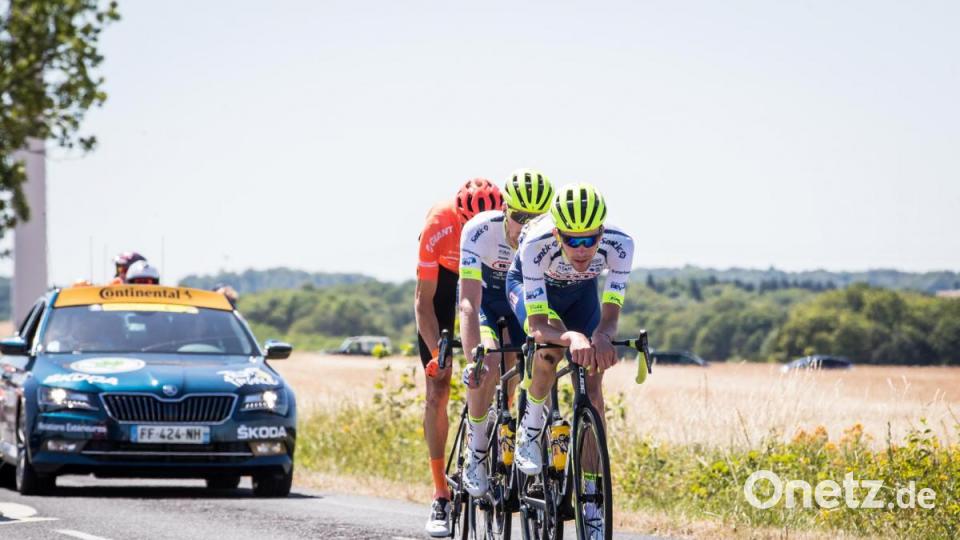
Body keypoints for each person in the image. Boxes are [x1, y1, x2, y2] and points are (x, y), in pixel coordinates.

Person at [505, 182, 634, 536]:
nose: (582, 249)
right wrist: (571, 336)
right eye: (573, 240)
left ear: (602, 233)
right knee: (550, 351)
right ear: (558, 233)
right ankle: (530, 429)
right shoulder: (535, 244)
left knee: (593, 384)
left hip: (580, 295)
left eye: (590, 240)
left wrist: (603, 337)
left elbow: (609, 314)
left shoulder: (621, 246)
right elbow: (536, 325)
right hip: (534, 291)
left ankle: (592, 491)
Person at [458, 169, 555, 498]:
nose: (526, 226)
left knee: (537, 355)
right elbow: (469, 302)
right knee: (488, 365)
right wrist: (474, 359)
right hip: (486, 302)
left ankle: (521, 423)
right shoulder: (478, 231)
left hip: (520, 302)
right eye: (519, 216)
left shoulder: (548, 239)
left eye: (537, 217)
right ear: (505, 211)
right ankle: (477, 449)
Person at [416, 178, 502, 537]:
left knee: (504, 369)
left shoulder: (503, 225)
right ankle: (440, 493)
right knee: (438, 388)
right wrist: (439, 352)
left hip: (485, 278)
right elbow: (423, 304)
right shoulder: (439, 222)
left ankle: (497, 453)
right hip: (447, 279)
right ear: (460, 218)